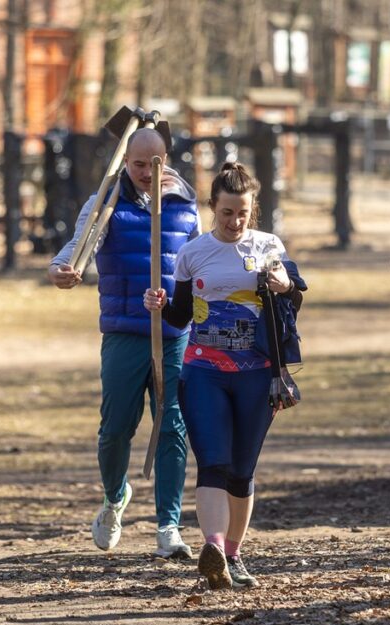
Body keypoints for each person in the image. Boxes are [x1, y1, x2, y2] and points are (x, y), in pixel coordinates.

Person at [144, 162, 303, 589]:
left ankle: (234, 554)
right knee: (211, 462)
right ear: (213, 207)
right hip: (204, 373)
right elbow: (179, 315)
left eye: (243, 213)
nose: (235, 222)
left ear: (253, 211)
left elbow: (293, 304)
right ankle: (212, 549)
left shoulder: (269, 246)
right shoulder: (193, 253)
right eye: (227, 212)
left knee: (242, 471)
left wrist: (286, 284)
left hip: (258, 375)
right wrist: (159, 304)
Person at [48, 128, 199, 560]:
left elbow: (195, 266)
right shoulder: (105, 203)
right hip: (123, 332)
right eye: (137, 165)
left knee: (172, 428)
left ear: (165, 160)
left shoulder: (186, 206)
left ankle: (168, 525)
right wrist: (61, 270)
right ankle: (115, 498)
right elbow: (76, 249)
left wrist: (183, 302)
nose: (146, 174)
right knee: (115, 430)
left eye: (154, 165)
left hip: (173, 335)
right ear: (126, 162)